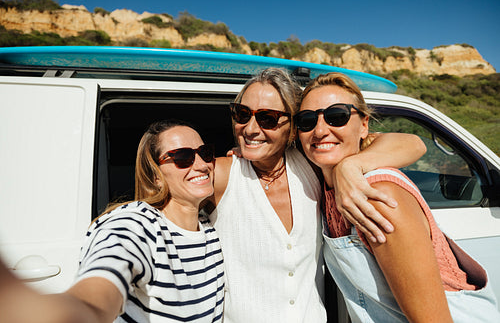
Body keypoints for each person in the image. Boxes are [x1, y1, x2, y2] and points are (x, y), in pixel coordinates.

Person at [209, 68, 426, 322]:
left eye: (267, 118)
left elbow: (413, 143)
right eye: (242, 114)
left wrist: (351, 166)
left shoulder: (312, 166)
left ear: (292, 128)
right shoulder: (221, 175)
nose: (250, 129)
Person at [296, 72, 500, 322]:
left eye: (336, 116)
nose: (319, 130)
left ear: (364, 125)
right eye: (306, 120)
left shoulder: (379, 195)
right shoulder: (320, 185)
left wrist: (350, 166)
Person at [0, 119, 224, 323]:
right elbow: (99, 291)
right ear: (156, 176)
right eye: (182, 157)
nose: (201, 164)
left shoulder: (211, 230)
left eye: (205, 153)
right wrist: (79, 312)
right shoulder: (135, 224)